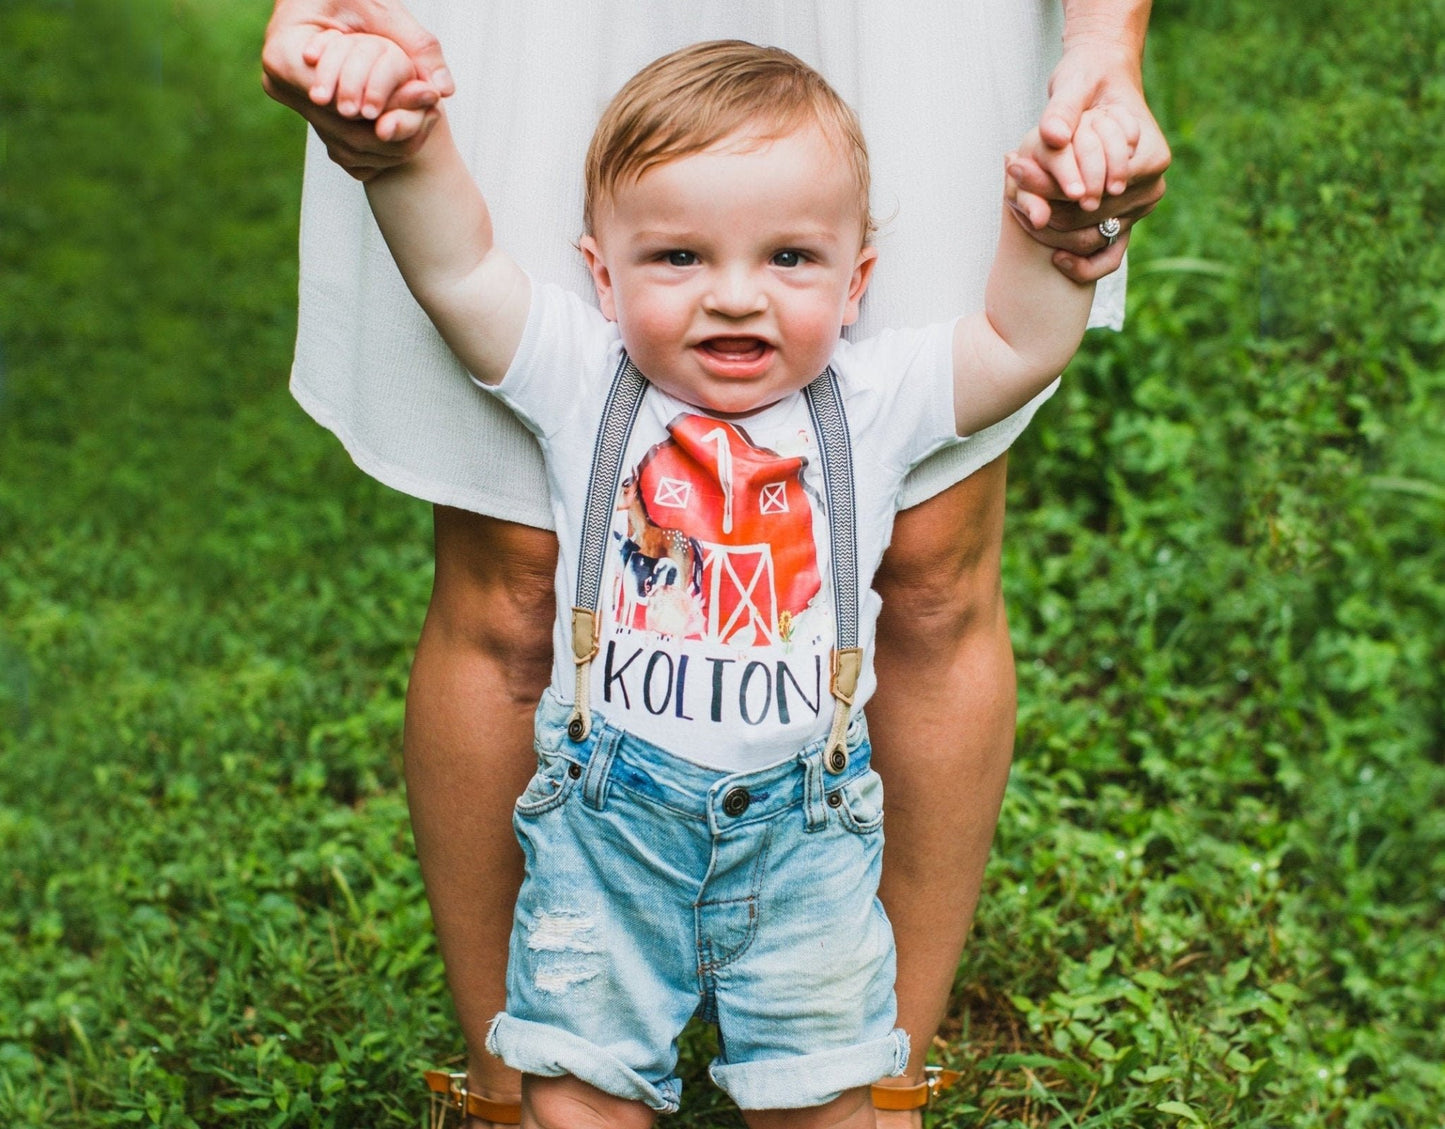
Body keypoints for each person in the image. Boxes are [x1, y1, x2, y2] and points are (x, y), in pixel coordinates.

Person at [260, 3, 1169, 1126]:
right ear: (600, 273)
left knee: (821, 1094)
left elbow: (1019, 344)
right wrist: (404, 150)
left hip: (808, 854)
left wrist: (1055, 234)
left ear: (857, 282)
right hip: (604, 843)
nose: (732, 293)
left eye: (788, 258)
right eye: (677, 257)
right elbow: (457, 269)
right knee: (574, 1093)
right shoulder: (576, 378)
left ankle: (877, 1093)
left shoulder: (871, 401)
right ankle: (510, 1091)